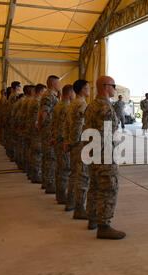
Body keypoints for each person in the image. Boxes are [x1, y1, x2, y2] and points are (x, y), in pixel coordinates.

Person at [84, 76, 126, 239]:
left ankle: (93, 219)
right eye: (113, 85)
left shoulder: (93, 105)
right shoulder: (105, 107)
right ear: (105, 86)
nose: (115, 88)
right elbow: (106, 135)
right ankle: (104, 225)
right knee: (109, 188)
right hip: (105, 156)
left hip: (94, 154)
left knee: (95, 187)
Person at [64, 80, 90, 218]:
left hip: (73, 142)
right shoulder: (81, 104)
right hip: (80, 143)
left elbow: (67, 124)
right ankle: (79, 208)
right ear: (81, 90)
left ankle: (70, 202)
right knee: (83, 176)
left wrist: (68, 141)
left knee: (74, 173)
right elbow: (83, 124)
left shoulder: (72, 103)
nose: (89, 89)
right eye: (87, 87)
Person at [52, 84, 75, 205]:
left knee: (60, 168)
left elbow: (53, 123)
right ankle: (62, 196)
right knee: (65, 170)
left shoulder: (58, 105)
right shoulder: (67, 107)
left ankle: (59, 195)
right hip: (63, 141)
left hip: (57, 140)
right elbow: (66, 127)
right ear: (70, 93)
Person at [38, 76, 60, 193]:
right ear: (53, 83)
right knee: (50, 157)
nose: (59, 85)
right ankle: (49, 183)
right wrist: (42, 126)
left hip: (49, 129)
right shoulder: (48, 96)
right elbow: (43, 113)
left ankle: (46, 181)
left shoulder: (51, 95)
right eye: (58, 82)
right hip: (49, 130)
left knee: (48, 157)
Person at [27, 84, 47, 183]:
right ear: (41, 92)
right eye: (44, 91)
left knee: (34, 153)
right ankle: (36, 175)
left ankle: (33, 174)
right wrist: (39, 126)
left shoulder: (32, 100)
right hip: (36, 130)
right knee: (37, 154)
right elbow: (37, 117)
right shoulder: (38, 102)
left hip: (32, 129)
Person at [4, 81, 21, 161]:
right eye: (19, 86)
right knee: (14, 138)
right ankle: (13, 156)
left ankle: (11, 154)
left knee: (12, 137)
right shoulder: (15, 96)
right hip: (14, 118)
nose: (20, 88)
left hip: (11, 117)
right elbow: (16, 108)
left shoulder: (11, 95)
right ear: (16, 87)